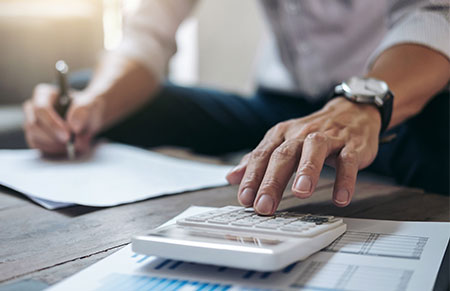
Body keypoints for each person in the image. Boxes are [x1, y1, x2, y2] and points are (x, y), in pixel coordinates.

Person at [23, 0, 449, 215]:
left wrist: (362, 103)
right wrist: (94, 104)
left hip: (391, 102)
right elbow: (148, 33)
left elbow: (433, 14)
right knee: (82, 88)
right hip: (276, 109)